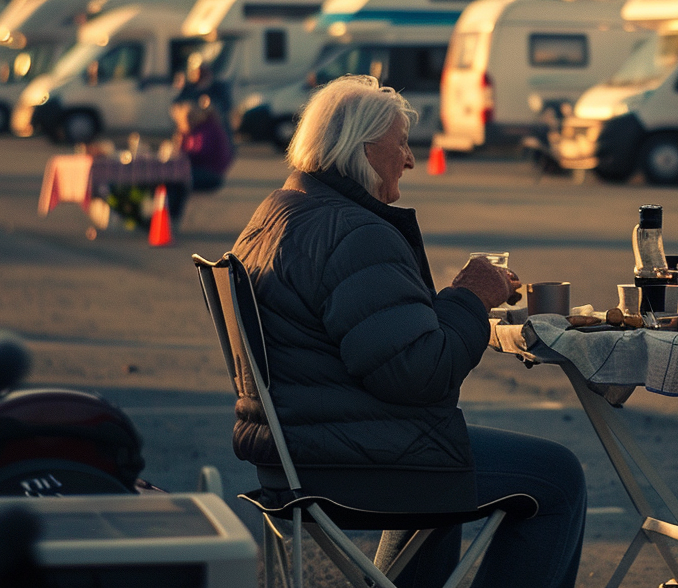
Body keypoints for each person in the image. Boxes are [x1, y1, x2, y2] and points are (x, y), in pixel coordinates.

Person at [230, 74, 586, 588]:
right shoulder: (355, 233)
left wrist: (441, 303)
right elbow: (418, 374)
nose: (411, 159)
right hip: (347, 461)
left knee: (444, 477)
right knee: (559, 478)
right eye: (401, 144)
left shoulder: (278, 214)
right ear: (363, 149)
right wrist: (469, 297)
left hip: (290, 452)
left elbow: (378, 338)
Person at [164, 98, 232, 223]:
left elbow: (198, 155)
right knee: (171, 180)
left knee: (178, 181)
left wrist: (181, 144)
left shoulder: (207, 129)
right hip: (203, 169)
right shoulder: (198, 129)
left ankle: (171, 217)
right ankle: (167, 215)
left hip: (212, 173)